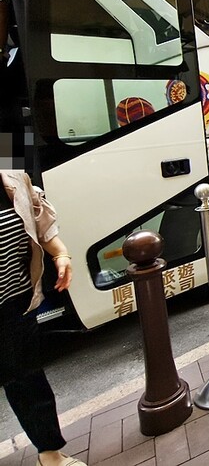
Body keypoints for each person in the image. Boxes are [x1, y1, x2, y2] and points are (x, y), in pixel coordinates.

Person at [0, 170, 87, 466]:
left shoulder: (13, 181)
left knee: (26, 377)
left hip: (15, 302)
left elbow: (41, 225)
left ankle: (50, 454)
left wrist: (61, 254)